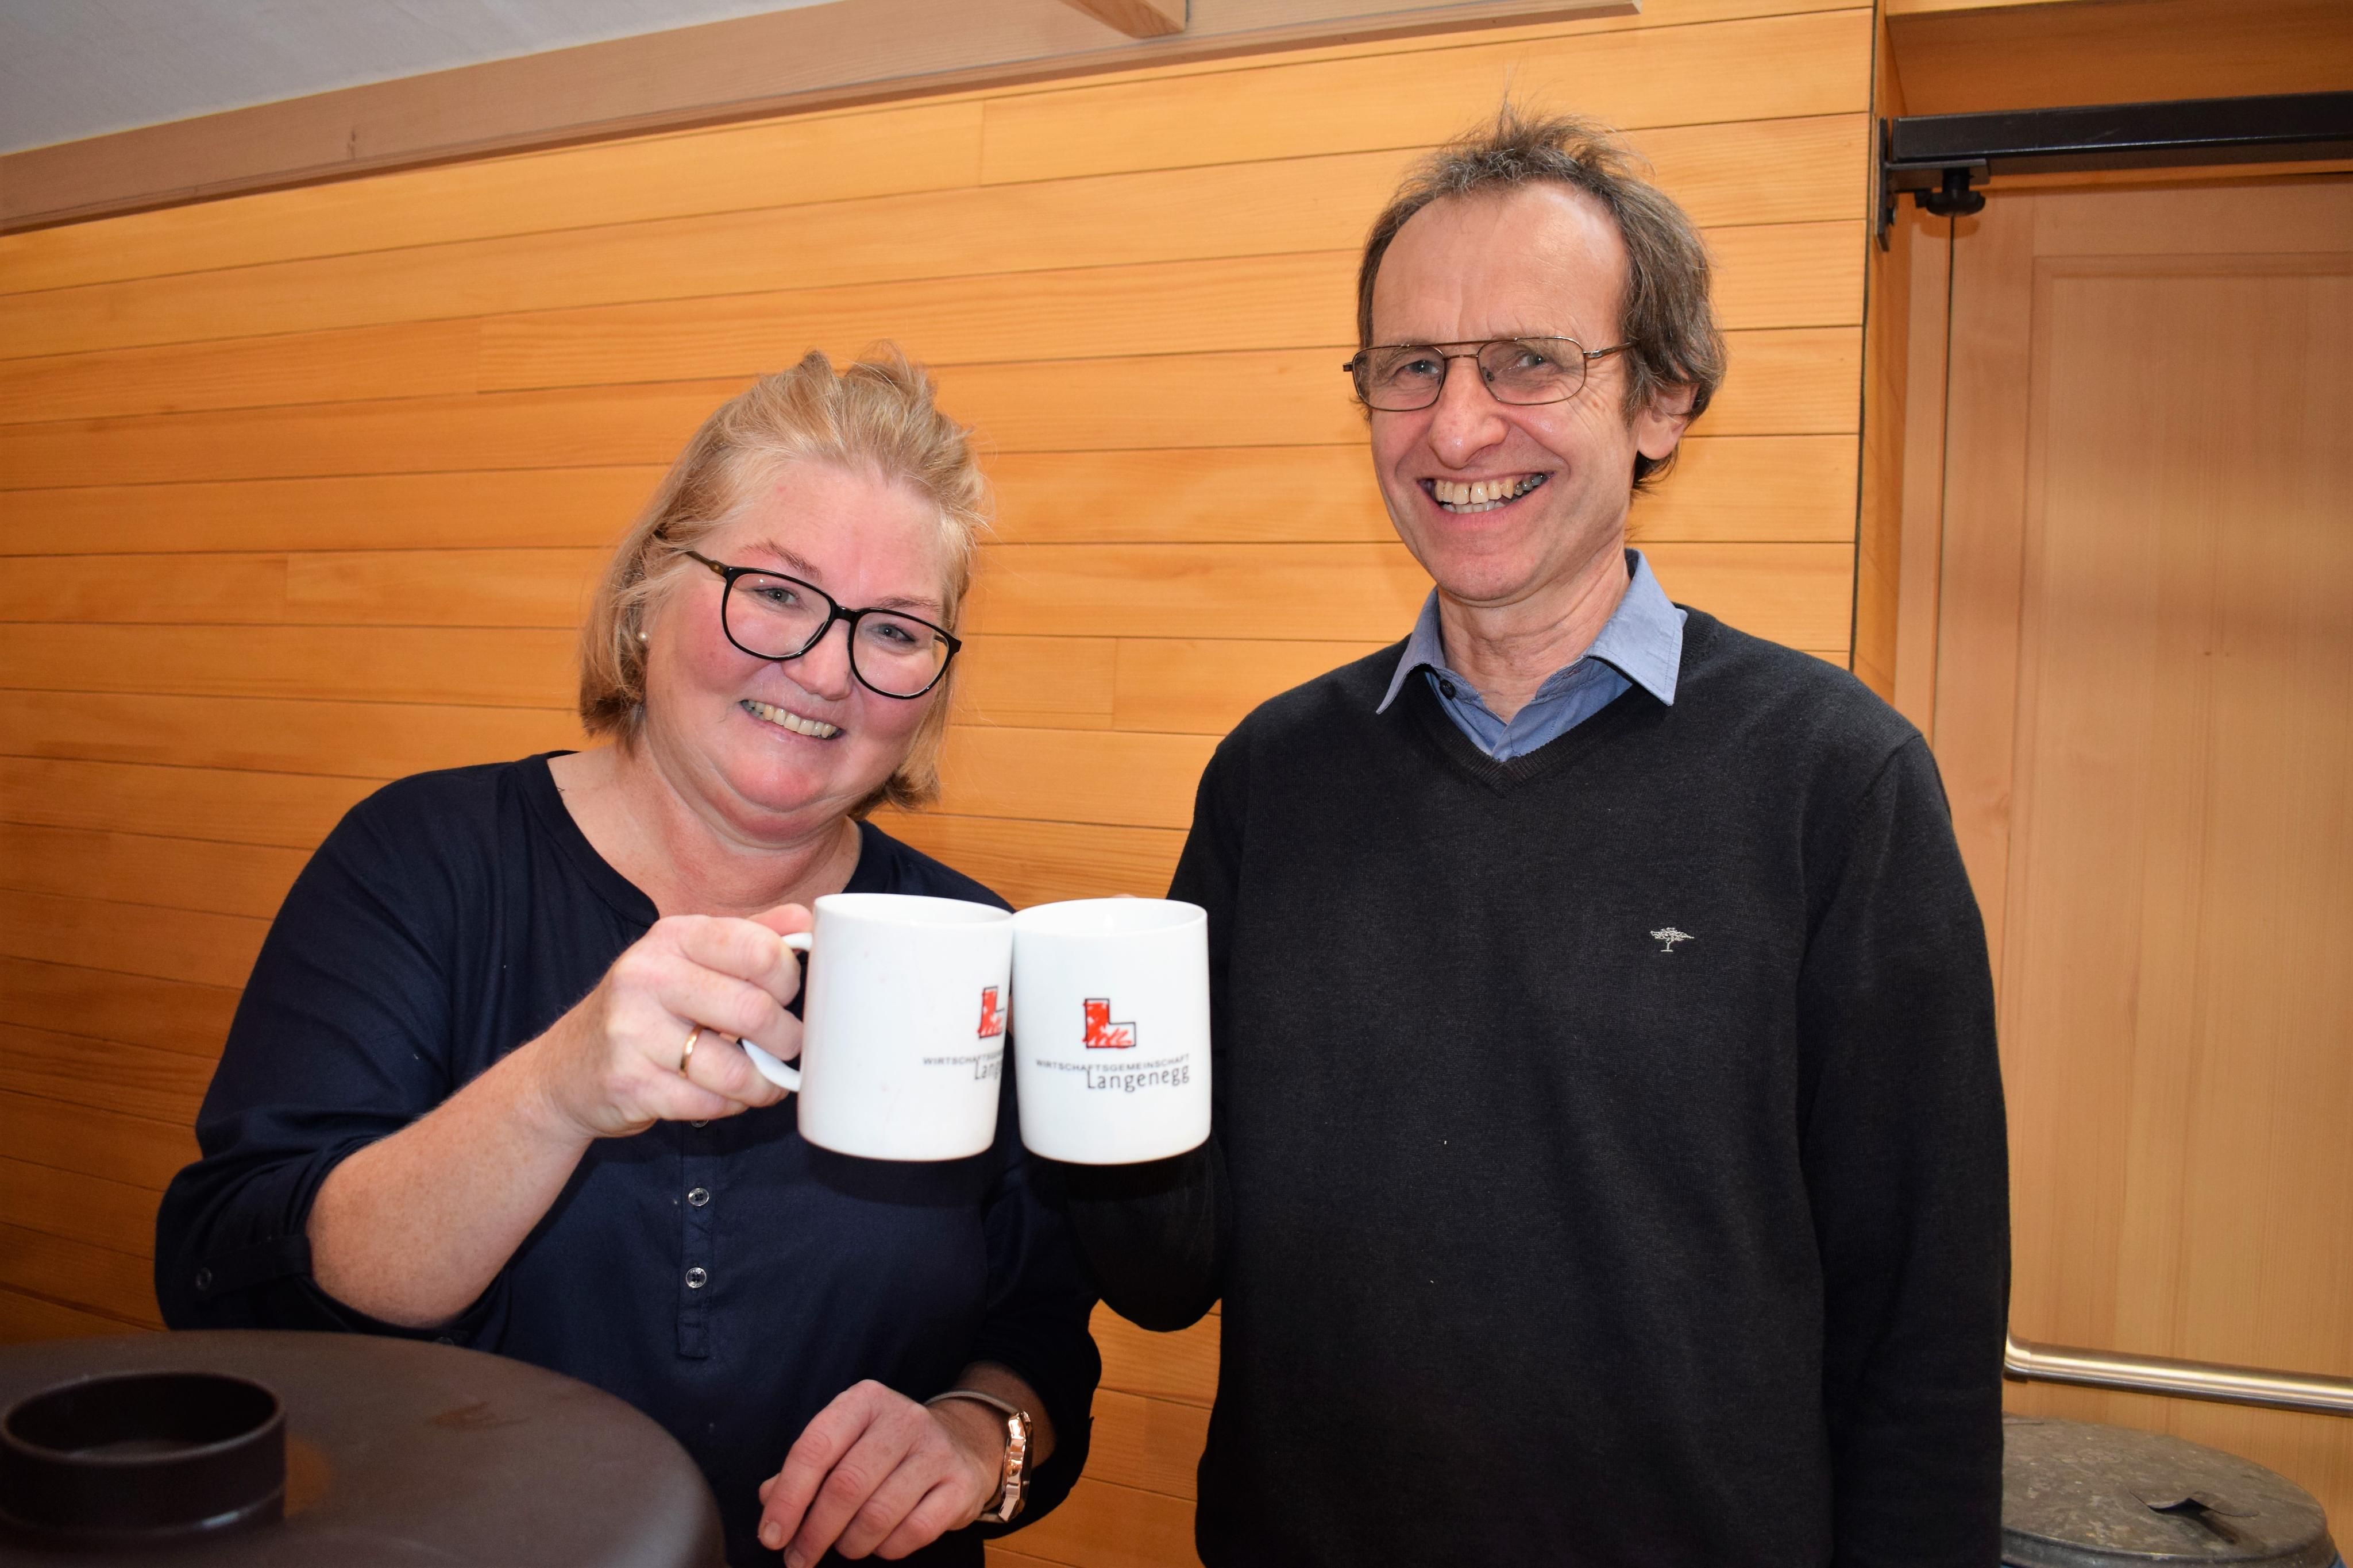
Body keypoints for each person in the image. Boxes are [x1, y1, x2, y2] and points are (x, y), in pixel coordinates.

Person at [1052, 109, 2010, 1565]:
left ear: (1661, 400)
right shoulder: (1269, 778)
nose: (1454, 428)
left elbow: (1920, 1329)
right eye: (1408, 368)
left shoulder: (1835, 781)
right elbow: (1171, 1274)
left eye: (1527, 362)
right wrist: (1069, 1087)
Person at [156, 349, 1100, 1568]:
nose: (827, 670)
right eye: (776, 592)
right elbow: (229, 1275)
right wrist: (553, 1094)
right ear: (652, 588)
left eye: (895, 630)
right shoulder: (423, 862)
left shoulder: (970, 949)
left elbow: (1039, 1338)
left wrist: (975, 1439)